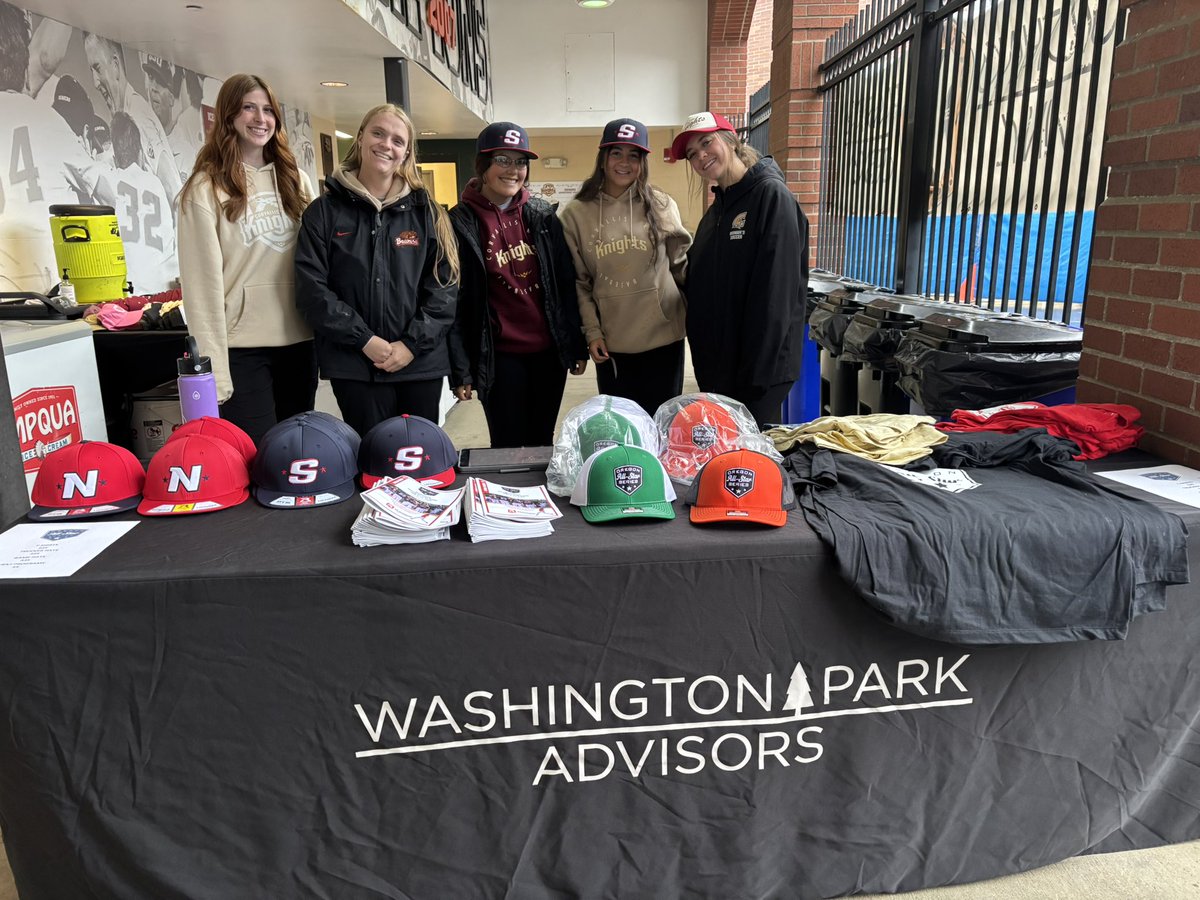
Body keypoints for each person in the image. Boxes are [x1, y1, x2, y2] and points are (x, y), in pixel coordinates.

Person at [295, 103, 459, 435]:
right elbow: (312, 290)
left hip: (420, 364)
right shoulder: (324, 213)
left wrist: (410, 345)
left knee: (419, 461)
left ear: (406, 153)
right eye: (378, 133)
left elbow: (445, 290)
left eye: (398, 140)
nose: (387, 144)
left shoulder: (429, 214)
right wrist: (365, 340)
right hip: (354, 364)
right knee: (371, 459)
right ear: (360, 138)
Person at [177, 73, 316, 445]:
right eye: (249, 108)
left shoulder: (296, 180)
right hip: (242, 349)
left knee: (297, 453)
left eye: (268, 110)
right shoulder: (204, 189)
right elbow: (201, 286)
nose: (260, 118)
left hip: (300, 341)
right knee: (256, 455)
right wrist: (214, 371)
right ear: (228, 116)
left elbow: (318, 265)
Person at [448, 121, 588, 448]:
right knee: (507, 444)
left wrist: (575, 344)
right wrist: (461, 369)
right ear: (483, 164)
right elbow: (455, 303)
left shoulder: (542, 215)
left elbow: (565, 284)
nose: (513, 170)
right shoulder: (460, 222)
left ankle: (539, 500)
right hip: (499, 357)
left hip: (548, 355)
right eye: (503, 159)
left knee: (542, 442)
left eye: (520, 162)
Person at [670, 111, 810, 428]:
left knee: (748, 466)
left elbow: (777, 293)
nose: (701, 156)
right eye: (692, 154)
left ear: (731, 140)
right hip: (720, 370)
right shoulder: (718, 210)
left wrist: (756, 375)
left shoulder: (770, 197)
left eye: (707, 142)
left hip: (755, 375)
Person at [560, 117, 691, 417]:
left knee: (661, 427)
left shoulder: (660, 204)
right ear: (603, 158)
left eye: (634, 155)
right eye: (616, 152)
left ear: (643, 162)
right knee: (623, 429)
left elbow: (681, 266)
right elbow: (579, 283)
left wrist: (695, 318)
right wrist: (592, 332)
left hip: (664, 339)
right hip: (613, 344)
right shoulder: (576, 214)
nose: (624, 162)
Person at [83, 33, 182, 209]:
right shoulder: (125, 114)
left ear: (115, 65)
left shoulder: (138, 114)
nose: (95, 82)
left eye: (97, 68)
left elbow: (173, 193)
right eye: (91, 71)